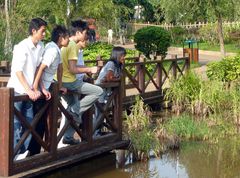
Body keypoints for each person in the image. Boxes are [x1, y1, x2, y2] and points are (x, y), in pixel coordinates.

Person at [7, 18, 47, 160]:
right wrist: (28, 90)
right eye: (42, 31)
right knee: (16, 124)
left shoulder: (41, 46)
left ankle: (21, 153)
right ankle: (14, 154)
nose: (44, 34)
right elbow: (18, 71)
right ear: (33, 31)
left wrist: (41, 87)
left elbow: (38, 69)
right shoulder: (21, 47)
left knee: (29, 122)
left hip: (29, 91)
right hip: (18, 90)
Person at [60, 19, 103, 145]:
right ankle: (73, 111)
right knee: (98, 91)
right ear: (78, 33)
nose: (86, 36)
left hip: (62, 81)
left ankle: (67, 137)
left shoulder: (65, 44)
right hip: (70, 82)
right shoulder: (72, 45)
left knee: (76, 108)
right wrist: (90, 69)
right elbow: (72, 69)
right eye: (85, 33)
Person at [28, 25, 69, 155]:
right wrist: (37, 87)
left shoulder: (55, 48)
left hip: (47, 86)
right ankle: (34, 153)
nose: (69, 40)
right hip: (42, 89)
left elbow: (60, 68)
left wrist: (59, 84)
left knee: (44, 119)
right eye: (67, 37)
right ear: (61, 38)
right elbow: (41, 67)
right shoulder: (52, 50)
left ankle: (43, 149)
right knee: (39, 121)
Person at [94, 46, 126, 135]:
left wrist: (116, 78)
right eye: (123, 55)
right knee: (99, 113)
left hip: (106, 91)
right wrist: (118, 79)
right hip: (100, 90)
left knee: (102, 112)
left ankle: (97, 133)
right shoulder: (111, 64)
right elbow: (109, 78)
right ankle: (94, 134)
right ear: (117, 55)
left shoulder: (118, 65)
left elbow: (111, 78)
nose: (124, 57)